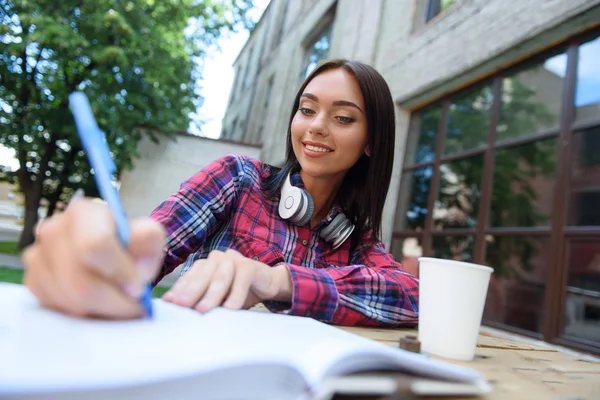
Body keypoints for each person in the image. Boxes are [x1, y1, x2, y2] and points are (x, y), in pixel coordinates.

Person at [23, 59, 419, 327]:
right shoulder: (237, 178)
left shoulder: (354, 236)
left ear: (371, 142)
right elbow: (147, 249)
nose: (316, 126)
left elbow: (413, 297)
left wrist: (278, 281)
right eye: (307, 109)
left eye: (343, 118)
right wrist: (102, 261)